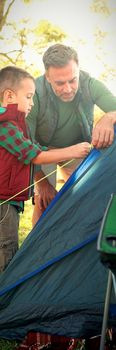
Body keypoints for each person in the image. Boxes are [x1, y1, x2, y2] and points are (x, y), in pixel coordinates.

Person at [0, 65, 91, 272]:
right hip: (3, 204)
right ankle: (5, 300)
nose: (33, 103)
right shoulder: (5, 126)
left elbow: (35, 148)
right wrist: (73, 151)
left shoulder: (15, 124)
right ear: (10, 95)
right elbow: (35, 155)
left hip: (9, 202)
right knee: (6, 251)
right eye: (29, 97)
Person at [27, 43, 116, 226]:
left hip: (78, 149)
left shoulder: (90, 84)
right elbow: (26, 143)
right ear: (48, 76)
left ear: (78, 69)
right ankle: (38, 253)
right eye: (60, 83)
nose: (68, 89)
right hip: (43, 153)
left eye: (72, 80)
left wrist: (109, 117)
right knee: (44, 202)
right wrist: (41, 184)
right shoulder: (33, 92)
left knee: (86, 196)